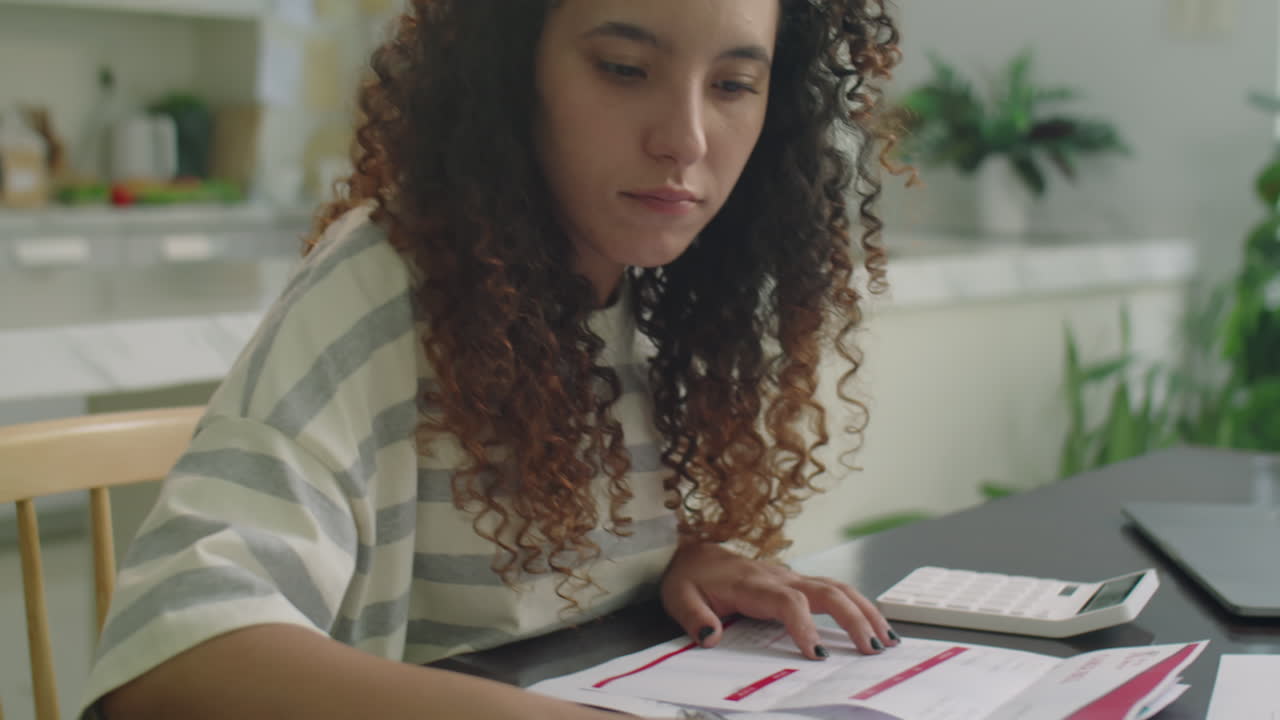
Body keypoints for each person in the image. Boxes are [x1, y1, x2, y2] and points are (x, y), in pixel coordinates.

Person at [81, 1, 903, 718]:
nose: (683, 138)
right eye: (624, 68)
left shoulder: (647, 294)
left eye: (732, 85)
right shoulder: (385, 280)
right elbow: (172, 660)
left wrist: (669, 564)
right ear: (512, 71)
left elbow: (529, 595)